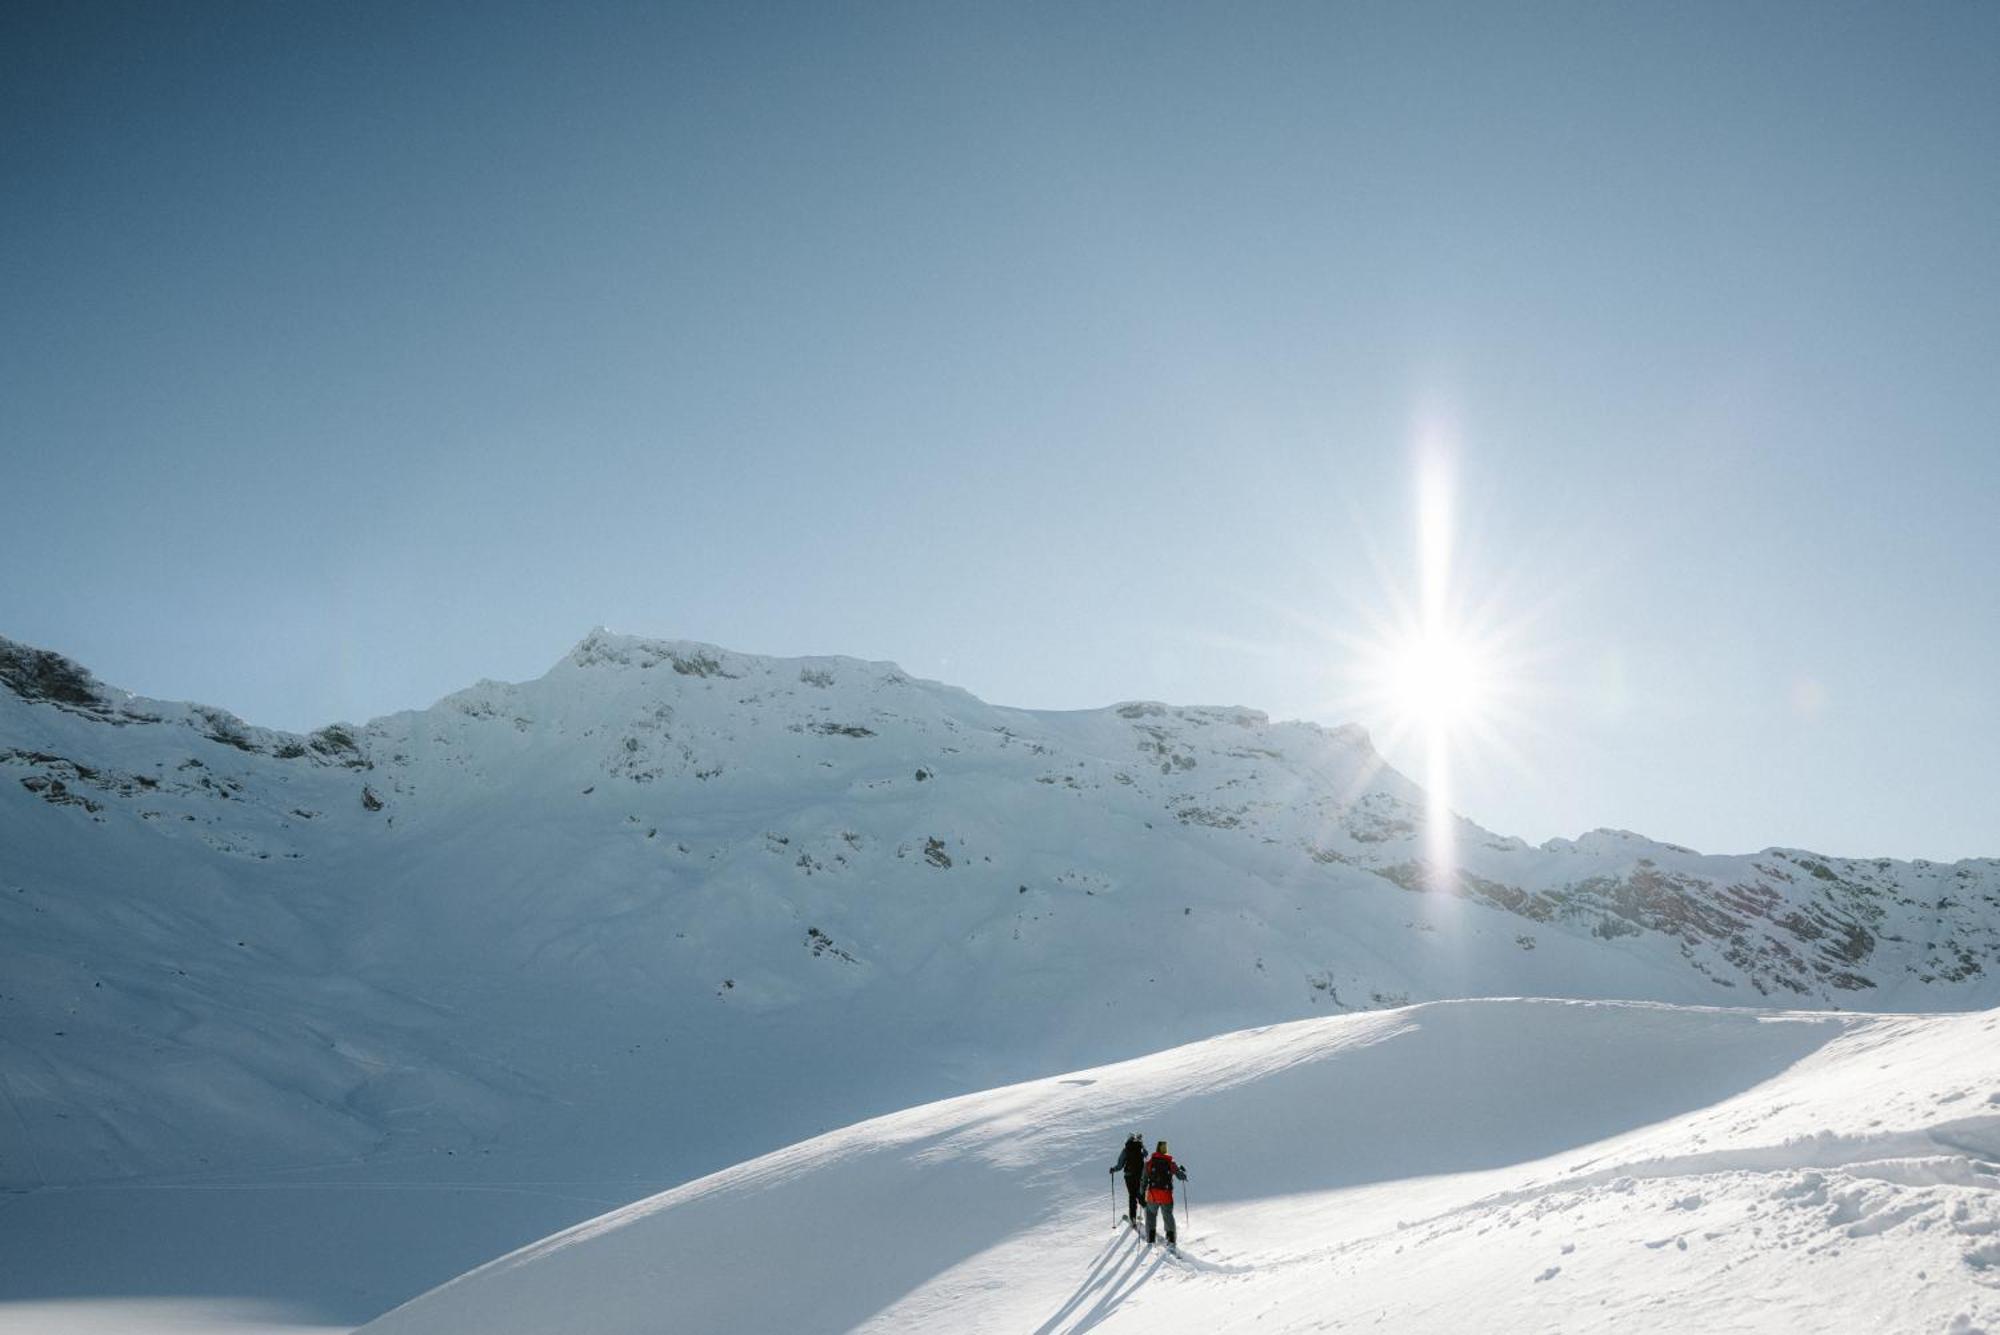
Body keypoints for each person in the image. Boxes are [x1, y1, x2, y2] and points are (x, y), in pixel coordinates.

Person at [1142, 1139, 1188, 1248]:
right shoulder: (1171, 1162)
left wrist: (1141, 1193)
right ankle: (1171, 1239)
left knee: (1151, 1215)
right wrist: (1183, 1173)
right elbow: (1180, 1176)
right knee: (1168, 1216)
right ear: (1166, 1150)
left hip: (1152, 1195)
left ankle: (1151, 1239)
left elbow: (1143, 1180)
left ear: (1157, 1149)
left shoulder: (1149, 1163)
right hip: (1166, 1195)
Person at [1108, 1132, 1146, 1224]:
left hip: (1129, 1176)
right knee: (1140, 1195)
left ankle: (1132, 1218)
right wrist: (1142, 1144)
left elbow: (1120, 1165)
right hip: (1140, 1176)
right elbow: (1146, 1155)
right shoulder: (1140, 1148)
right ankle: (1148, 1214)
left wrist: (1113, 1169)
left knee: (1132, 1196)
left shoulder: (1126, 1150)